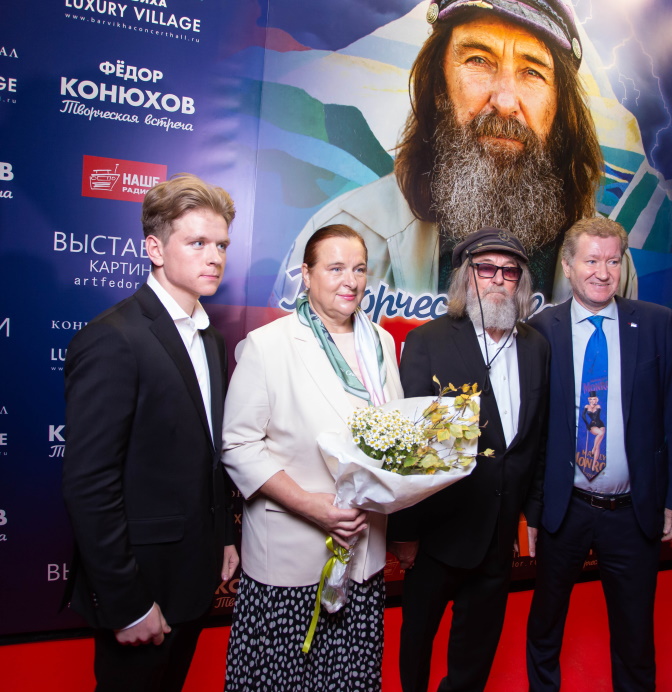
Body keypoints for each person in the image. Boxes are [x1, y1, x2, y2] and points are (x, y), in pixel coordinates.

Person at [271, 0, 638, 312]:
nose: (505, 101)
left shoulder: (606, 261)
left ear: (559, 106)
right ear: (439, 87)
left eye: (532, 71)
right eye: (478, 60)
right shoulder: (345, 235)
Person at [62, 173, 240, 692]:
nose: (214, 257)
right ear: (155, 249)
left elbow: (207, 454)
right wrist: (127, 604)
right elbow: (89, 485)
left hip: (194, 575)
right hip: (141, 587)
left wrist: (224, 537)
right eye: (198, 243)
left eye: (221, 245)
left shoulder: (211, 339)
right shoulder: (113, 338)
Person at [221, 225, 403, 691]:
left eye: (359, 269)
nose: (350, 281)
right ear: (306, 274)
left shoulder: (380, 343)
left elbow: (391, 434)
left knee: (349, 678)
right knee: (280, 679)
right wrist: (310, 505)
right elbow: (238, 445)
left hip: (363, 552)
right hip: (292, 555)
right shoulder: (269, 344)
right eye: (335, 268)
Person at [526, 217, 672, 691]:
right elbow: (534, 433)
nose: (603, 273)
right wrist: (532, 513)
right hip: (565, 508)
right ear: (568, 266)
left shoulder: (657, 323)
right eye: (591, 261)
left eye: (612, 261)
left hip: (632, 511)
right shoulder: (541, 331)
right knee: (545, 625)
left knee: (635, 635)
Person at [388, 228, 550, 691]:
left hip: (499, 537)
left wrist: (531, 515)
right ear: (466, 277)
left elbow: (536, 439)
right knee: (417, 640)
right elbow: (409, 446)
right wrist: (404, 532)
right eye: (486, 269)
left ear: (520, 283)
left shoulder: (536, 346)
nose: (498, 279)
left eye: (509, 271)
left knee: (476, 650)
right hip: (437, 534)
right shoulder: (429, 341)